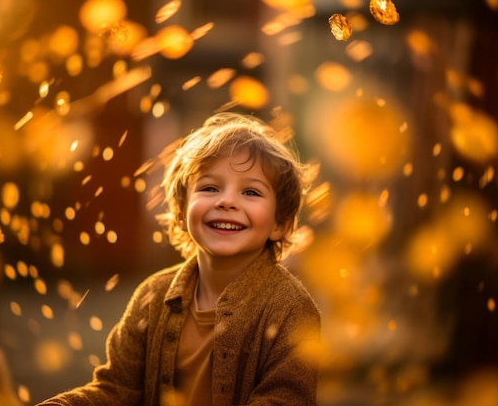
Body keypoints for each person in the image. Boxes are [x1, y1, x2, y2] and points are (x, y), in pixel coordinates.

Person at [36, 112, 321, 406]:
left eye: (251, 191)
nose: (227, 201)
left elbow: (284, 400)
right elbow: (116, 389)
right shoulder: (152, 296)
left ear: (280, 224)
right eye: (210, 188)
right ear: (181, 213)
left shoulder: (290, 310)